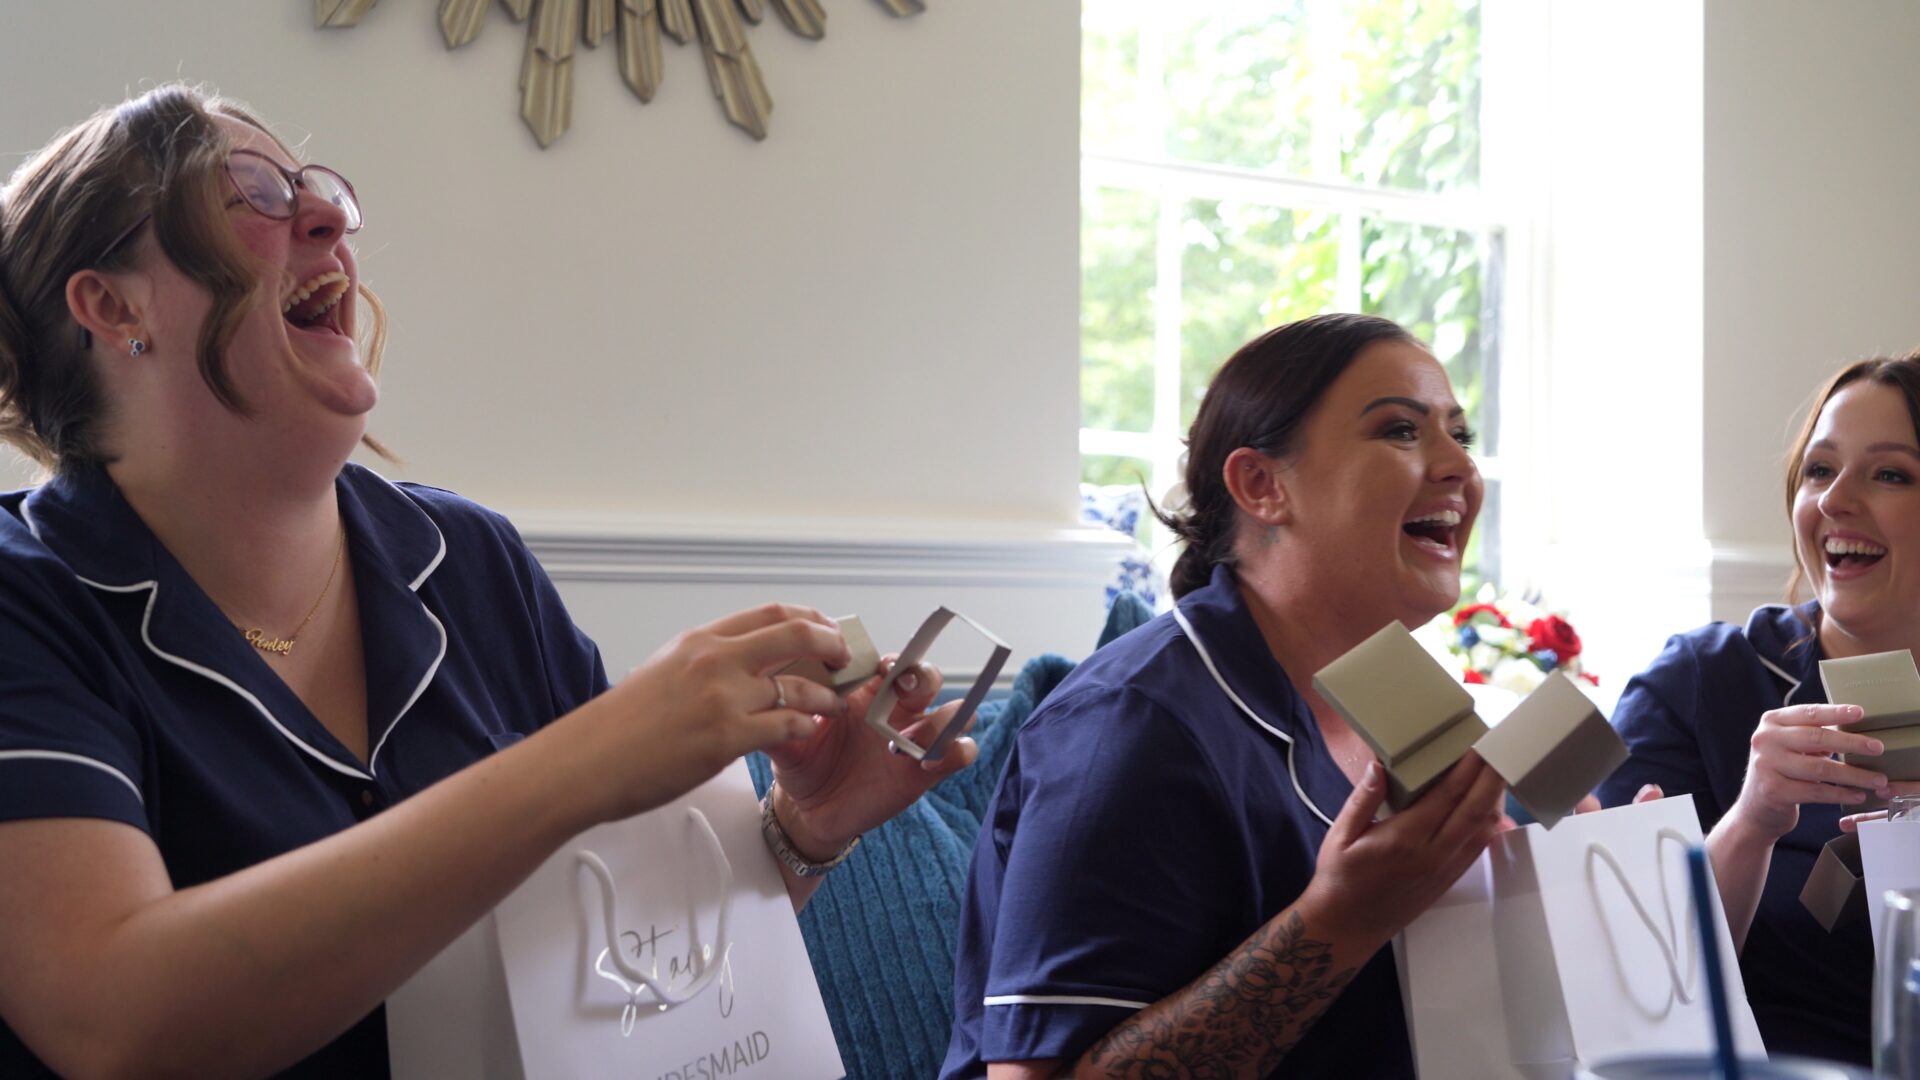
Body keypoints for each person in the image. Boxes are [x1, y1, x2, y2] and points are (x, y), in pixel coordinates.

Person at [0, 84, 975, 1078]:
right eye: (245, 191)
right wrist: (593, 754)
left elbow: (616, 966)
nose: (329, 220)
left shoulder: (469, 557)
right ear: (111, 305)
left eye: (316, 190)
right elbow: (112, 1020)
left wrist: (797, 835)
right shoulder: (26, 601)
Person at [942, 312, 1509, 1079]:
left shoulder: (1414, 700)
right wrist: (1338, 922)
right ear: (1261, 485)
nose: (1459, 470)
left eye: (1460, 437)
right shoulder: (1130, 723)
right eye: (1401, 432)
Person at [1597, 352, 1920, 1066]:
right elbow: (1621, 985)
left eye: (1889, 473)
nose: (1834, 500)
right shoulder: (1698, 683)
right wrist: (1750, 826)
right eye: (1818, 469)